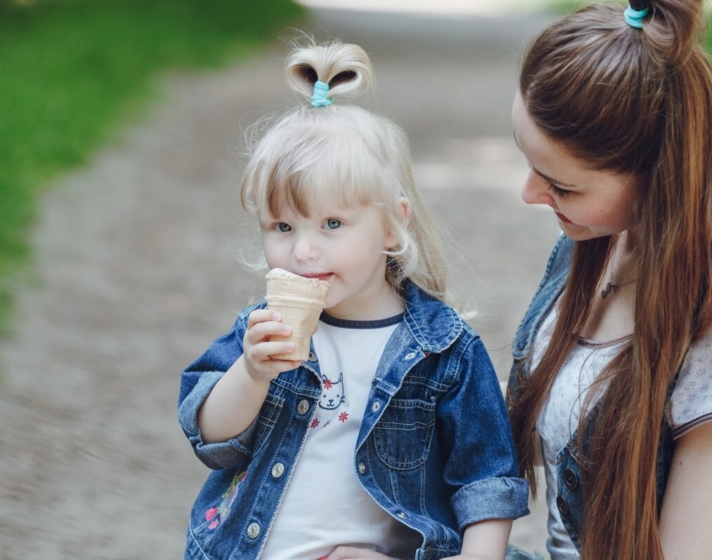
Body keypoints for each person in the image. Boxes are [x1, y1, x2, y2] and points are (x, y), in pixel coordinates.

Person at [177, 40, 528, 560]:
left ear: (391, 224)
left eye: (333, 224)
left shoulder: (444, 350)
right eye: (281, 225)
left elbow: (486, 478)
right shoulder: (261, 329)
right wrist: (251, 374)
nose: (303, 249)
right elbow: (209, 436)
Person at [505, 1, 712, 559]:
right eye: (527, 159)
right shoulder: (590, 248)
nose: (530, 193)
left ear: (658, 179)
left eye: (562, 185)